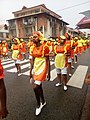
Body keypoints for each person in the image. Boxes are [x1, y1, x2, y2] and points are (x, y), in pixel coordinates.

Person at [29, 31, 50, 116]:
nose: (33, 38)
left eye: (35, 37)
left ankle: (38, 105)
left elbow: (47, 60)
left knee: (35, 87)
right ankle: (43, 101)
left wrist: (48, 72)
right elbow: (33, 59)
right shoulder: (32, 47)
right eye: (33, 37)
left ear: (40, 38)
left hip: (43, 66)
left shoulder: (45, 47)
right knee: (39, 86)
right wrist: (31, 70)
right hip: (36, 66)